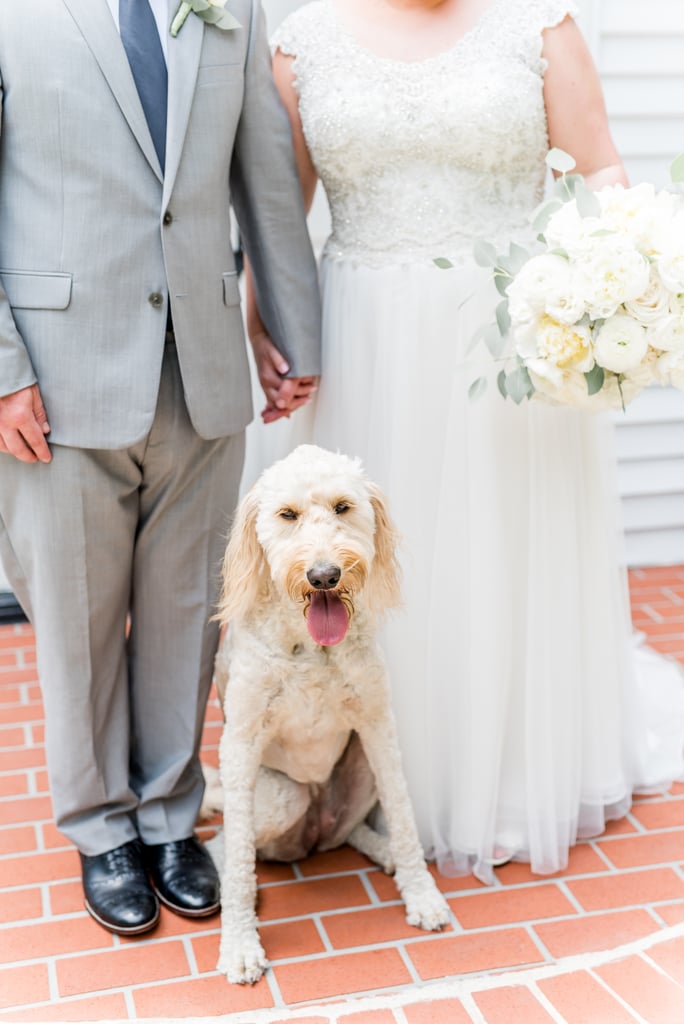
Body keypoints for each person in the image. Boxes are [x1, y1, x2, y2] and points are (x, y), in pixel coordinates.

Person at [245, 0, 684, 882]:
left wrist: (606, 293)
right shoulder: (301, 45)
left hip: (507, 345)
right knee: (377, 554)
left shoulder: (540, 25)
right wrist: (264, 323)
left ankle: (508, 772)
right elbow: (277, 216)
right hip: (363, 343)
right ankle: (366, 775)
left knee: (496, 547)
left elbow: (600, 172)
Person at [0, 0, 320, 936]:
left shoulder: (232, 7)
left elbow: (265, 177)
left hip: (205, 368)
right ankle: (101, 829)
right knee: (78, 622)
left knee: (188, 613)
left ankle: (171, 815)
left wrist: (295, 339)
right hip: (55, 385)